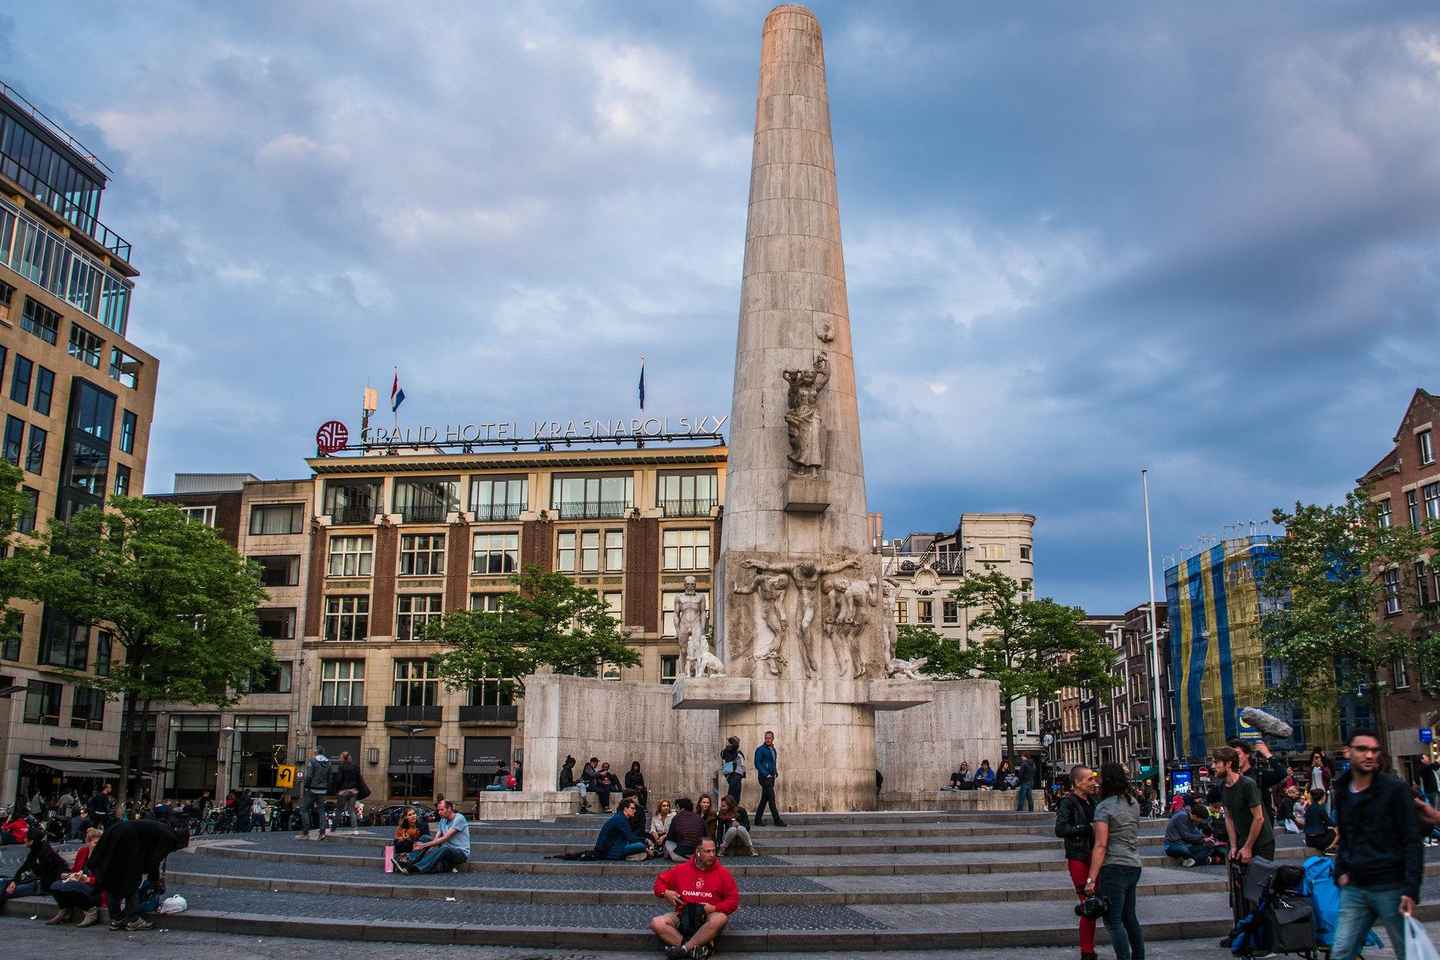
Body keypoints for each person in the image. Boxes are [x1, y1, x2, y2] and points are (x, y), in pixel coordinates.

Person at [1330, 728, 1423, 960]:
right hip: (1355, 887)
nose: (1369, 755)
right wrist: (1341, 870)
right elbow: (1345, 836)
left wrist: (1411, 889)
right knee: (1341, 951)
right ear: (1347, 752)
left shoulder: (1394, 789)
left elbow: (1412, 840)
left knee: (1408, 952)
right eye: (1362, 749)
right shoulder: (1341, 790)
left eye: (1374, 750)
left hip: (1391, 886)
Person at [1083, 762, 1145, 960]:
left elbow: (1101, 845)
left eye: (1100, 777)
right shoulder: (1133, 803)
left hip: (1114, 866)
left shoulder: (1104, 807)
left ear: (1107, 780)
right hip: (1133, 864)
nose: (1097, 781)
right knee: (1130, 917)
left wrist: (1091, 878)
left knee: (1113, 921)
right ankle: (1139, 957)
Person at [87, 816, 189, 931]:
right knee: (131, 880)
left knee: (113, 877)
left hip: (116, 833)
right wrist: (154, 880)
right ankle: (133, 920)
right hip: (127, 840)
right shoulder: (169, 838)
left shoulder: (163, 830)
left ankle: (116, 919)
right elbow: (154, 860)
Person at [649, 837, 739, 960]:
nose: (712, 855)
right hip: (683, 913)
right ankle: (697, 949)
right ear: (697, 852)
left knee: (720, 918)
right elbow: (659, 883)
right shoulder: (681, 869)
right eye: (707, 851)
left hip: (708, 916)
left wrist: (714, 908)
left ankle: (684, 949)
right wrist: (665, 892)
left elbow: (733, 901)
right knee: (657, 923)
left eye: (714, 851)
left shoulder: (723, 873)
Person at [1055, 765, 1098, 960]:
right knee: (1088, 904)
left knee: (1096, 903)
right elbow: (1060, 828)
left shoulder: (1093, 801)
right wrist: (1085, 828)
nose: (1094, 783)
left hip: (1095, 855)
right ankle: (1087, 950)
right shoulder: (1068, 802)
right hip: (1079, 856)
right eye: (1089, 779)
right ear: (1077, 783)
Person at [1213, 745, 1275, 866]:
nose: (1213, 766)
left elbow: (1259, 818)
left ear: (1228, 764)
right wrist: (1234, 846)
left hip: (1262, 842)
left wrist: (1248, 847)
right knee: (1241, 880)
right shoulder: (1223, 787)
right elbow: (1228, 817)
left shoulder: (1247, 785)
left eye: (1216, 763)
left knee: (1258, 881)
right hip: (1242, 840)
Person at [47, 826, 104, 926]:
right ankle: (64, 909)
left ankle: (91, 912)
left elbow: (104, 879)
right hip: (79, 883)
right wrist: (68, 875)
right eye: (95, 843)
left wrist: (87, 879)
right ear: (88, 843)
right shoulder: (83, 852)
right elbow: (76, 870)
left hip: (96, 889)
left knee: (72, 886)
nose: (98, 846)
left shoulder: (104, 856)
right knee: (55, 885)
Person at [397, 798, 470, 874]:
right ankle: (409, 860)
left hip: (460, 853)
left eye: (442, 810)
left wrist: (424, 846)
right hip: (446, 848)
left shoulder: (459, 819)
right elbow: (436, 839)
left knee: (444, 848)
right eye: (438, 810)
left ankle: (416, 868)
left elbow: (445, 838)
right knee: (425, 837)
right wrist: (427, 847)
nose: (439, 812)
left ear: (449, 809)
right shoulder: (443, 819)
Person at [1, 833, 67, 910]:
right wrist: (14, 881)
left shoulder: (47, 854)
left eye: (26, 838)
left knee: (8, 891)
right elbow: (23, 868)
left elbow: (51, 874)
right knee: (3, 882)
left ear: (31, 841)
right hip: (30, 880)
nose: (24, 839)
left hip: (39, 885)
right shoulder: (34, 851)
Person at [595, 796, 649, 861]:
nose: (635, 811)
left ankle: (632, 855)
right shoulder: (621, 819)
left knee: (640, 844)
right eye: (632, 808)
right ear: (625, 809)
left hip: (614, 846)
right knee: (641, 845)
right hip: (610, 851)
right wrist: (646, 841)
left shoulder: (621, 817)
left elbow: (627, 837)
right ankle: (630, 856)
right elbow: (631, 838)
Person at [1163, 798, 1212, 867]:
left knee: (1207, 846)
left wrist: (1205, 839)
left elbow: (1196, 833)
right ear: (1195, 816)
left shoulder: (1192, 820)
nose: (1200, 821)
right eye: (1200, 819)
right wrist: (1202, 838)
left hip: (1185, 844)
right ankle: (1202, 860)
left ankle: (1192, 861)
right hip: (1172, 845)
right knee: (1184, 850)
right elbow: (1186, 836)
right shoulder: (1182, 816)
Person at [298, 747, 333, 841]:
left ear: (317, 752)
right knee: (321, 811)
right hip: (323, 790)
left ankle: (306, 832)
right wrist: (327, 788)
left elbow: (309, 776)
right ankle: (322, 833)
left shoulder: (312, 761)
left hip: (312, 789)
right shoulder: (329, 762)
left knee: (304, 809)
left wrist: (306, 786)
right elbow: (330, 777)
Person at [753, 731, 785, 826]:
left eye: (769, 738)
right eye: (766, 738)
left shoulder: (773, 749)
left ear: (772, 739)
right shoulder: (760, 749)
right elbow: (757, 763)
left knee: (764, 799)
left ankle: (757, 820)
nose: (767, 739)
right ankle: (777, 820)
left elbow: (772, 762)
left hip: (771, 777)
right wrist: (766, 774)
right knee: (771, 799)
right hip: (764, 778)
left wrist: (775, 772)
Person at [666, 798, 705, 863]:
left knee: (667, 842)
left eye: (677, 808)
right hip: (698, 851)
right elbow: (705, 835)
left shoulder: (676, 818)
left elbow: (670, 837)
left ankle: (684, 859)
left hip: (681, 852)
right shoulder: (699, 818)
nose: (676, 810)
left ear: (682, 809)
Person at [333, 750, 362, 830]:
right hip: (353, 791)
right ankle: (355, 828)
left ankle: (333, 828)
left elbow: (339, 779)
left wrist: (336, 789)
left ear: (343, 758)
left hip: (343, 791)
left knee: (339, 810)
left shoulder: (341, 767)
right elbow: (359, 779)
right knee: (352, 810)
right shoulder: (355, 766)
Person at [720, 737, 746, 805]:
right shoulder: (732, 751)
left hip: (733, 775)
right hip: (735, 774)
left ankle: (732, 808)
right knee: (733, 795)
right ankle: (730, 808)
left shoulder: (726, 751)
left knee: (734, 794)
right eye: (737, 742)